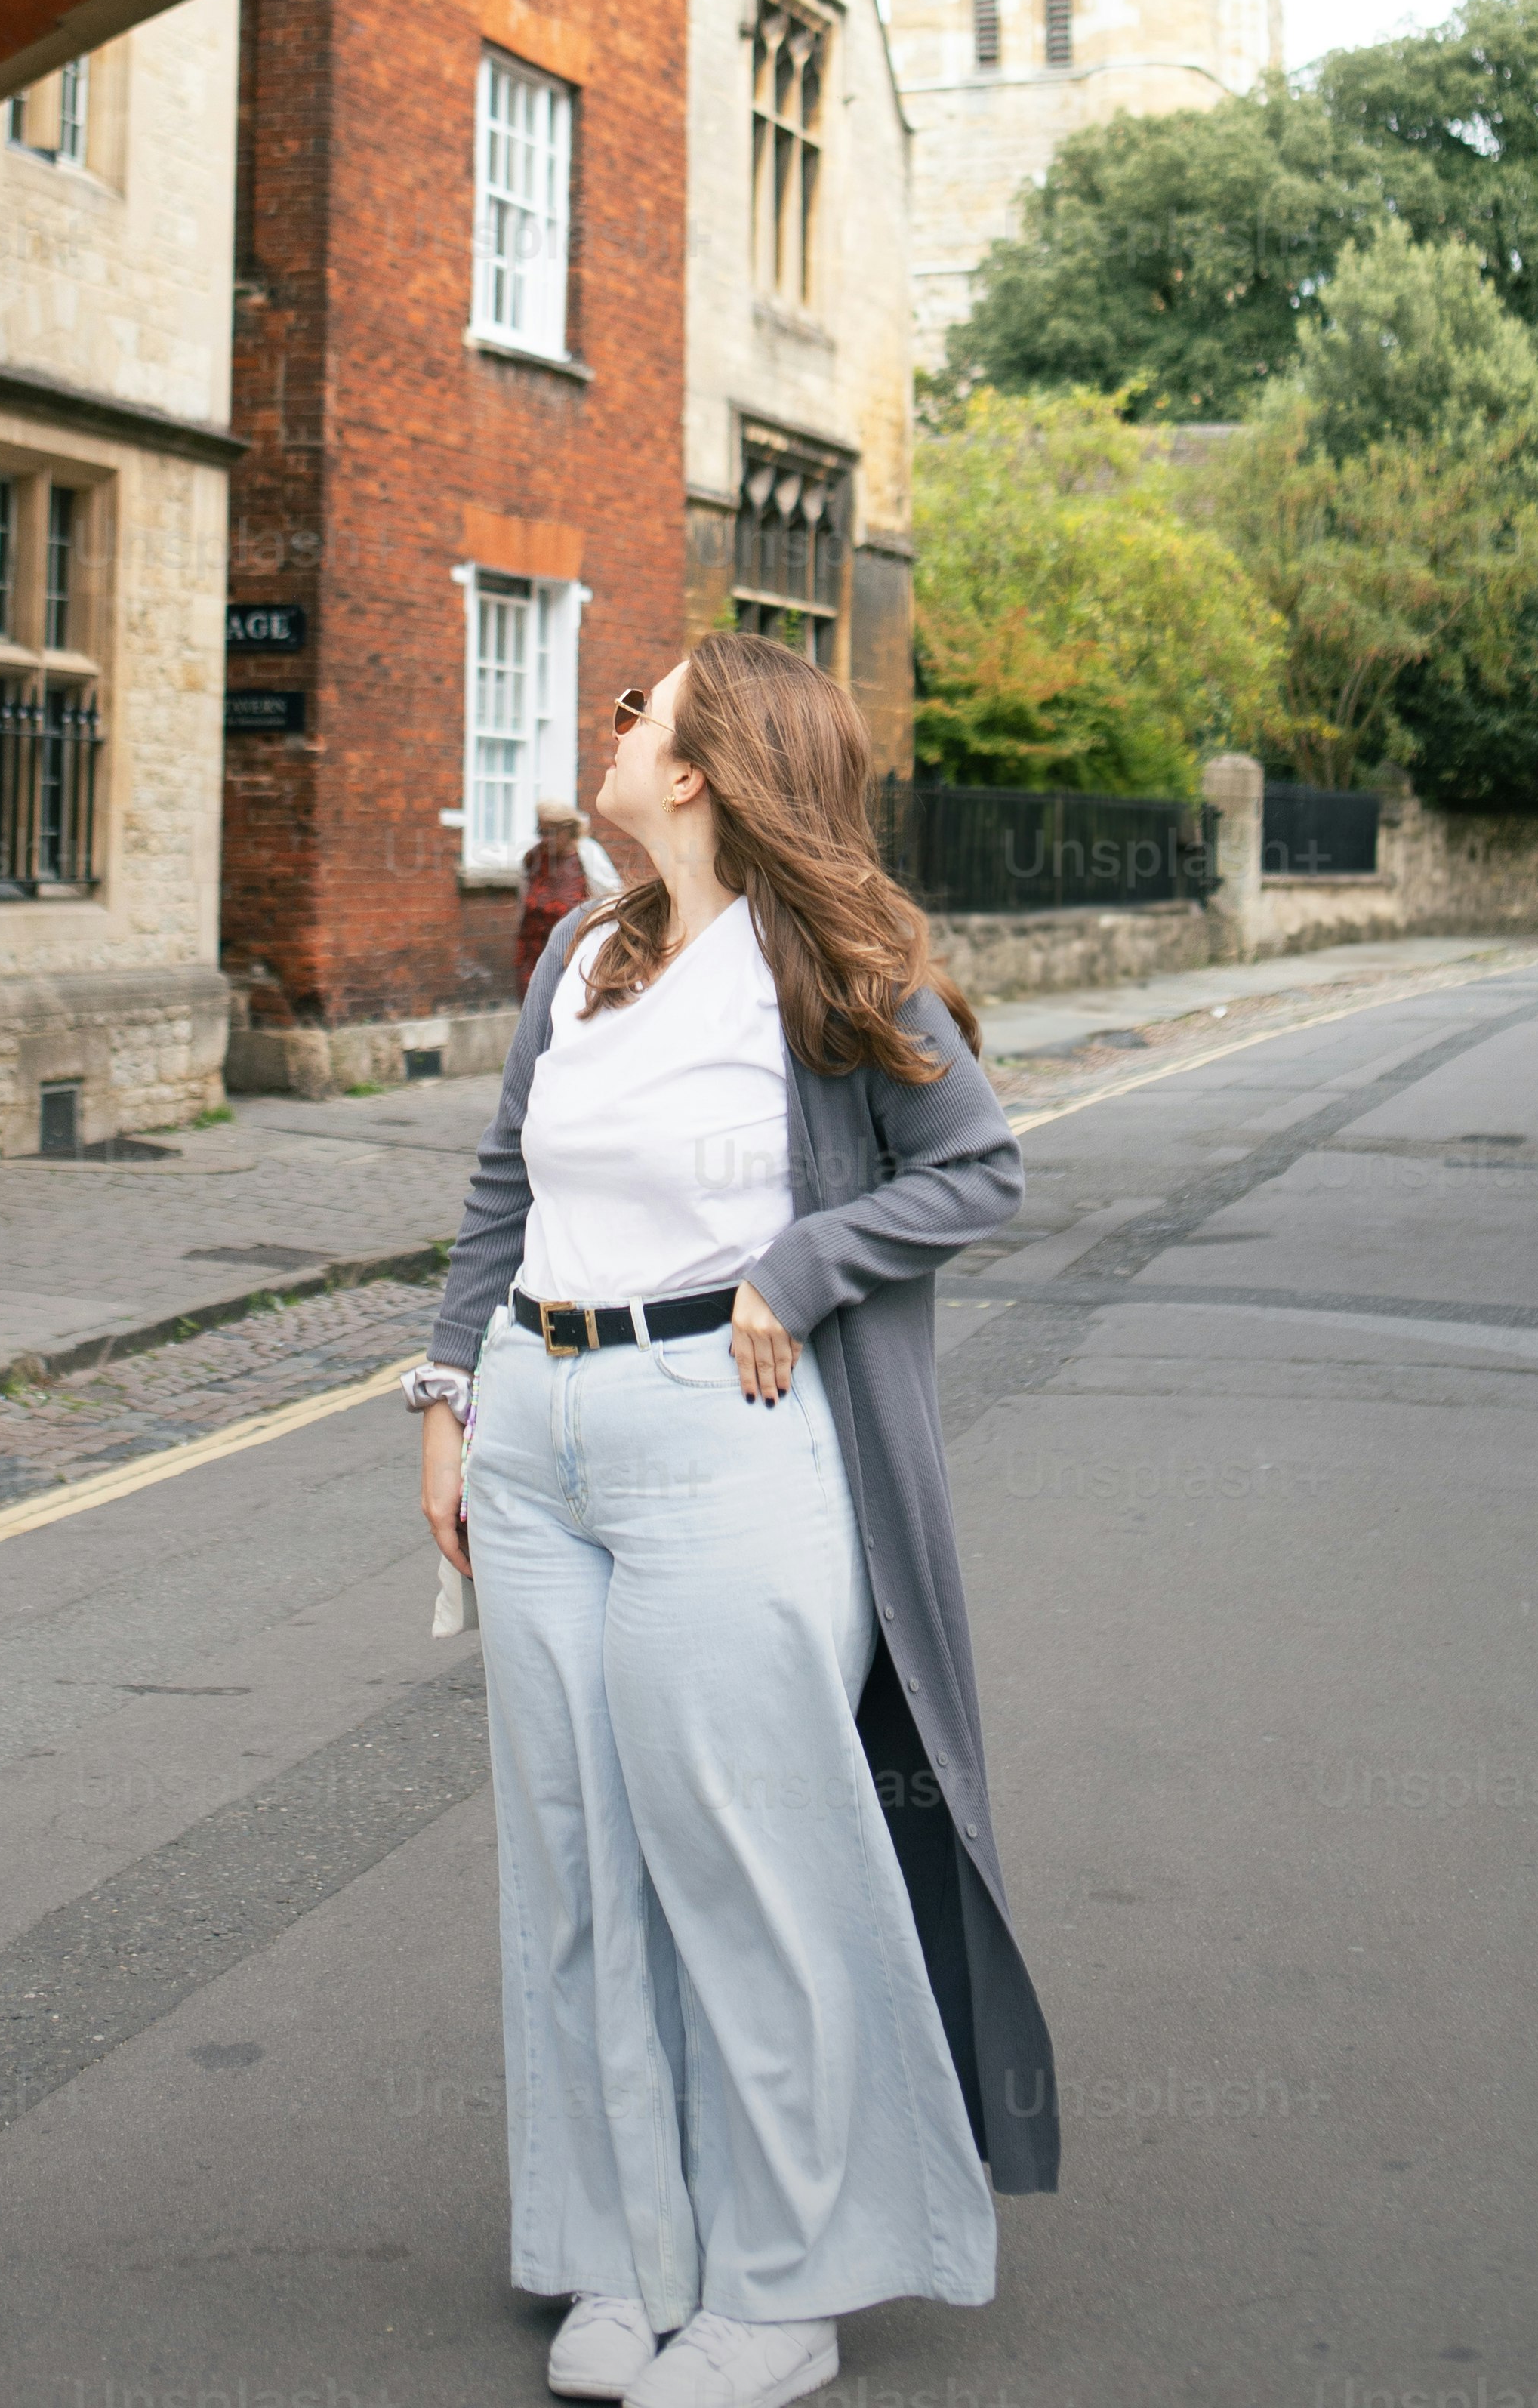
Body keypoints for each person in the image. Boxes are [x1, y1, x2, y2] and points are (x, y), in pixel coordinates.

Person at [407, 632, 1059, 2408]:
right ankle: (619, 2255)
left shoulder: (819, 957)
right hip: (541, 1423)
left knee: (747, 1867)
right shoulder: (579, 949)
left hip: (730, 1429)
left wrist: (804, 1258)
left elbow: (978, 1165)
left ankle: (781, 2288)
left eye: (642, 705)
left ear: (695, 767)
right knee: (576, 1864)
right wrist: (448, 1392)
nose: (613, 722)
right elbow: (499, 1184)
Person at [513, 797, 614, 992]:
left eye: (551, 832)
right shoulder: (533, 858)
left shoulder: (587, 856)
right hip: (533, 957)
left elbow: (610, 901)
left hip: (573, 959)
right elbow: (523, 900)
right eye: (541, 832)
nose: (545, 839)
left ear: (568, 830)